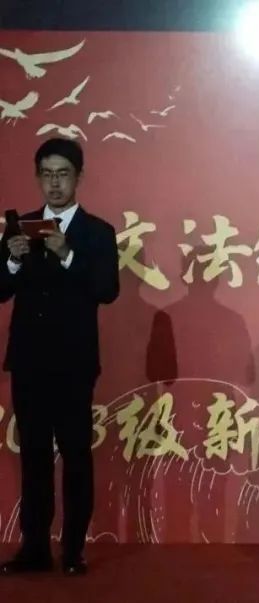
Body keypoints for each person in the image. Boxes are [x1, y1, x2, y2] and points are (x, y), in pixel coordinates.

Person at [0, 138, 120, 576]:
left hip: (74, 363)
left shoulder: (97, 232)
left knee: (75, 455)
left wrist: (67, 254)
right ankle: (34, 548)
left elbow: (107, 290)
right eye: (47, 174)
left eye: (63, 174)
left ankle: (73, 550)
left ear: (78, 177)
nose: (54, 183)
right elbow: (0, 290)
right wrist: (12, 263)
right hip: (29, 361)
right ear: (38, 178)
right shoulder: (20, 226)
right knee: (33, 457)